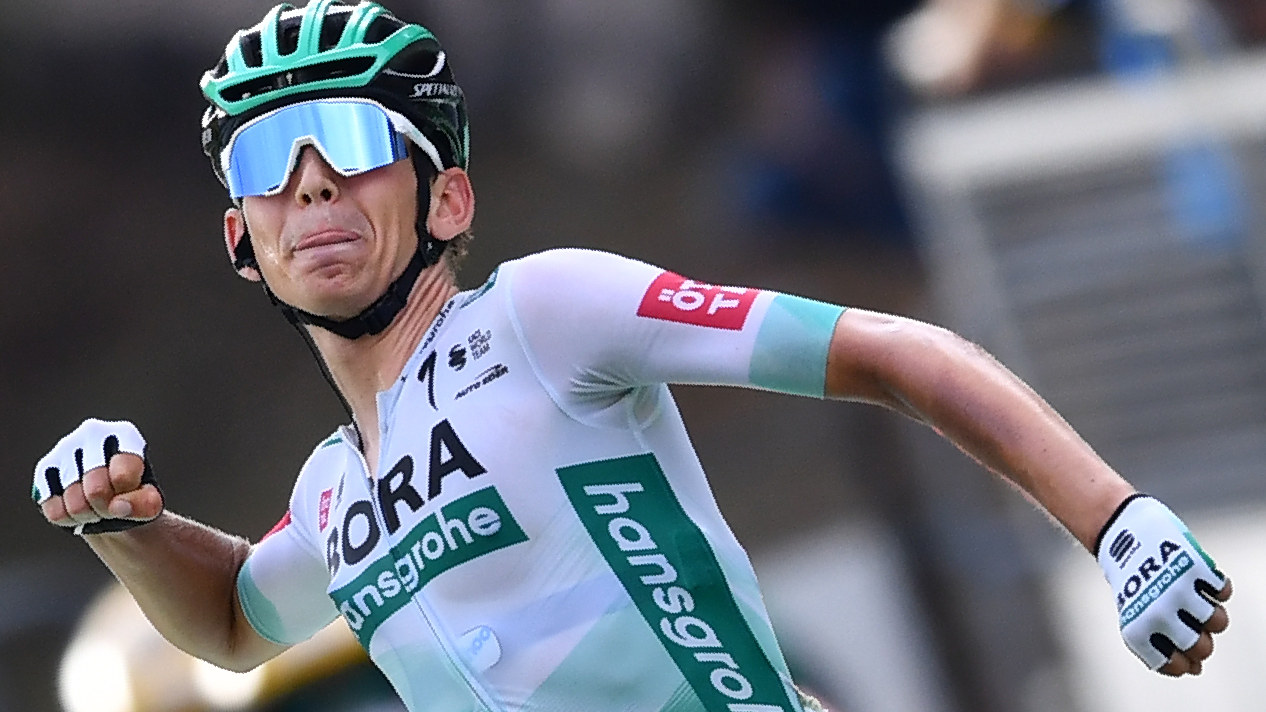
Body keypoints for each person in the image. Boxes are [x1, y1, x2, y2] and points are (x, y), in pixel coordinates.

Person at [33, 2, 1231, 711]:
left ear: (448, 199)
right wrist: (124, 523)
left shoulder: (545, 312)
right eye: (267, 164)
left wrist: (1116, 521)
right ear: (242, 243)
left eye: (349, 142)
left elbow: (890, 351)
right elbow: (232, 621)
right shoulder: (330, 497)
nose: (311, 185)